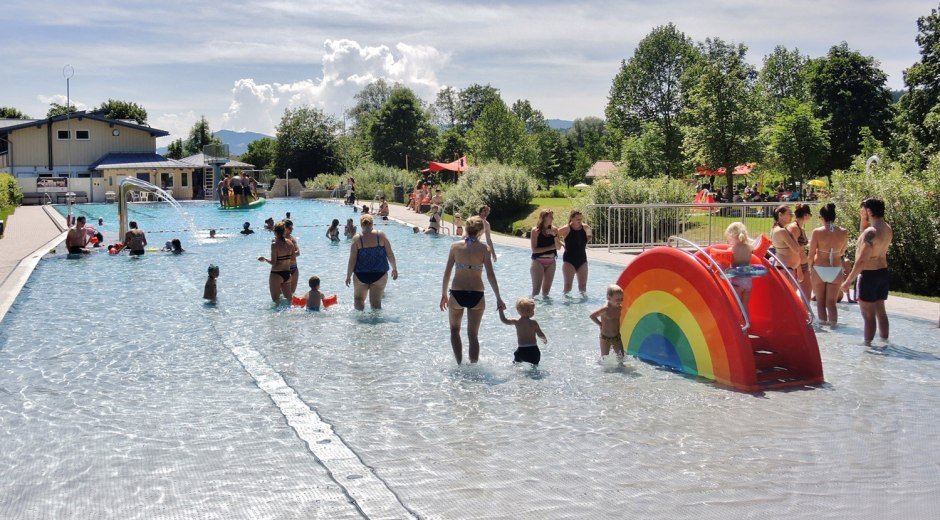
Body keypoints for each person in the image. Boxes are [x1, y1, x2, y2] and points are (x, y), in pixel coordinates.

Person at [440, 216, 506, 363]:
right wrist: (498, 297)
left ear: (466, 228)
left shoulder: (455, 246)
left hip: (457, 293)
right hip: (477, 294)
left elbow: (447, 273)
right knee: (473, 335)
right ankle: (474, 367)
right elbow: (490, 275)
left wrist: (444, 294)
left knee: (454, 330)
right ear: (481, 231)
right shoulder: (485, 249)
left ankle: (459, 363)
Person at [842, 198, 893, 347]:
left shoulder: (871, 232)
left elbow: (861, 260)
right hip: (882, 272)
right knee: (880, 311)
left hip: (868, 275)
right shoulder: (886, 228)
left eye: (863, 209)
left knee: (868, 315)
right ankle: (884, 341)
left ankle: (867, 347)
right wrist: (863, 219)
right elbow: (863, 235)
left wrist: (848, 281)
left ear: (869, 211)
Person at [345, 214, 399, 310]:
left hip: (361, 275)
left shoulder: (357, 238)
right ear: (372, 223)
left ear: (361, 225)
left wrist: (348, 276)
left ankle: (359, 324)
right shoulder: (381, 235)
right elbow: (390, 254)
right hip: (380, 275)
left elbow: (352, 260)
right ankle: (376, 324)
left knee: (358, 300)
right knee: (376, 303)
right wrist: (394, 269)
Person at [808, 203, 848, 326]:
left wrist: (810, 268)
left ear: (822, 217)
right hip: (835, 268)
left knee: (820, 303)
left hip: (819, 267)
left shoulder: (817, 232)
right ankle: (834, 329)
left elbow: (811, 254)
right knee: (832, 304)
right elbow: (842, 251)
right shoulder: (843, 232)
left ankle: (824, 331)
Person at [499, 297, 547, 366]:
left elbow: (504, 320)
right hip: (533, 350)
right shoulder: (534, 323)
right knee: (534, 366)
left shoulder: (516, 322)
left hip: (521, 350)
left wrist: (500, 310)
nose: (534, 312)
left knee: (515, 364)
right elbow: (540, 334)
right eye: (533, 310)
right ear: (529, 311)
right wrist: (544, 340)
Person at [257, 221, 295, 303]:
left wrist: (264, 259)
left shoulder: (274, 245)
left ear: (275, 232)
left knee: (276, 301)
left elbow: (273, 263)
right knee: (289, 302)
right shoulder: (290, 242)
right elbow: (293, 259)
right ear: (284, 231)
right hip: (287, 274)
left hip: (276, 274)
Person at [558, 209, 593, 295]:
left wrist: (584, 241)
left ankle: (582, 306)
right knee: (568, 286)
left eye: (581, 219)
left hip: (582, 260)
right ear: (571, 219)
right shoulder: (566, 229)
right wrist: (562, 244)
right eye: (577, 219)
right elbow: (554, 235)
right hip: (569, 260)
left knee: (583, 286)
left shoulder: (585, 227)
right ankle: (566, 306)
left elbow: (590, 236)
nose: (579, 221)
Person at [770, 205, 804, 291]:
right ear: (780, 215)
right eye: (789, 214)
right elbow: (796, 249)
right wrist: (794, 236)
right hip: (786, 269)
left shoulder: (777, 229)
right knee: (790, 301)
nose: (792, 216)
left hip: (785, 268)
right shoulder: (781, 231)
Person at [724, 222, 756, 311]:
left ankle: (738, 324)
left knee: (735, 306)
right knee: (745, 305)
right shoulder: (749, 248)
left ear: (731, 236)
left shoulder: (731, 249)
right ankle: (747, 322)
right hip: (748, 280)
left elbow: (725, 268)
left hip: (737, 281)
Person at [529, 209, 560, 297]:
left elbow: (558, 247)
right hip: (538, 261)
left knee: (546, 293)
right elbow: (534, 250)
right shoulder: (535, 231)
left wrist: (554, 235)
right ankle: (530, 309)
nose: (552, 218)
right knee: (536, 292)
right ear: (543, 218)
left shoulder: (555, 230)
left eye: (552, 216)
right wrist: (551, 247)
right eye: (550, 216)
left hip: (551, 262)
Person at [590, 285, 625, 360]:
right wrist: (600, 324)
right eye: (617, 299)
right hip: (605, 338)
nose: (620, 301)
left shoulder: (619, 307)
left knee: (621, 358)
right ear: (609, 298)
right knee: (604, 359)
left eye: (621, 299)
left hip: (616, 337)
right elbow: (592, 316)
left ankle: (620, 371)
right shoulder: (605, 309)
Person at [787, 203, 814, 301]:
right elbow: (793, 250)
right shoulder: (794, 228)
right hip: (795, 266)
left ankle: (806, 316)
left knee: (807, 296)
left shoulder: (801, 228)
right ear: (806, 215)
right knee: (791, 296)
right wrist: (798, 269)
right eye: (810, 214)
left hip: (804, 264)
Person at [284, 219, 300, 295]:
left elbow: (298, 252)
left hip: (293, 267)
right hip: (283, 268)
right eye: (290, 228)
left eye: (292, 228)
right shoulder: (278, 239)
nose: (292, 230)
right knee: (282, 295)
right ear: (284, 228)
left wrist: (286, 255)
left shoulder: (292, 238)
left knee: (292, 293)